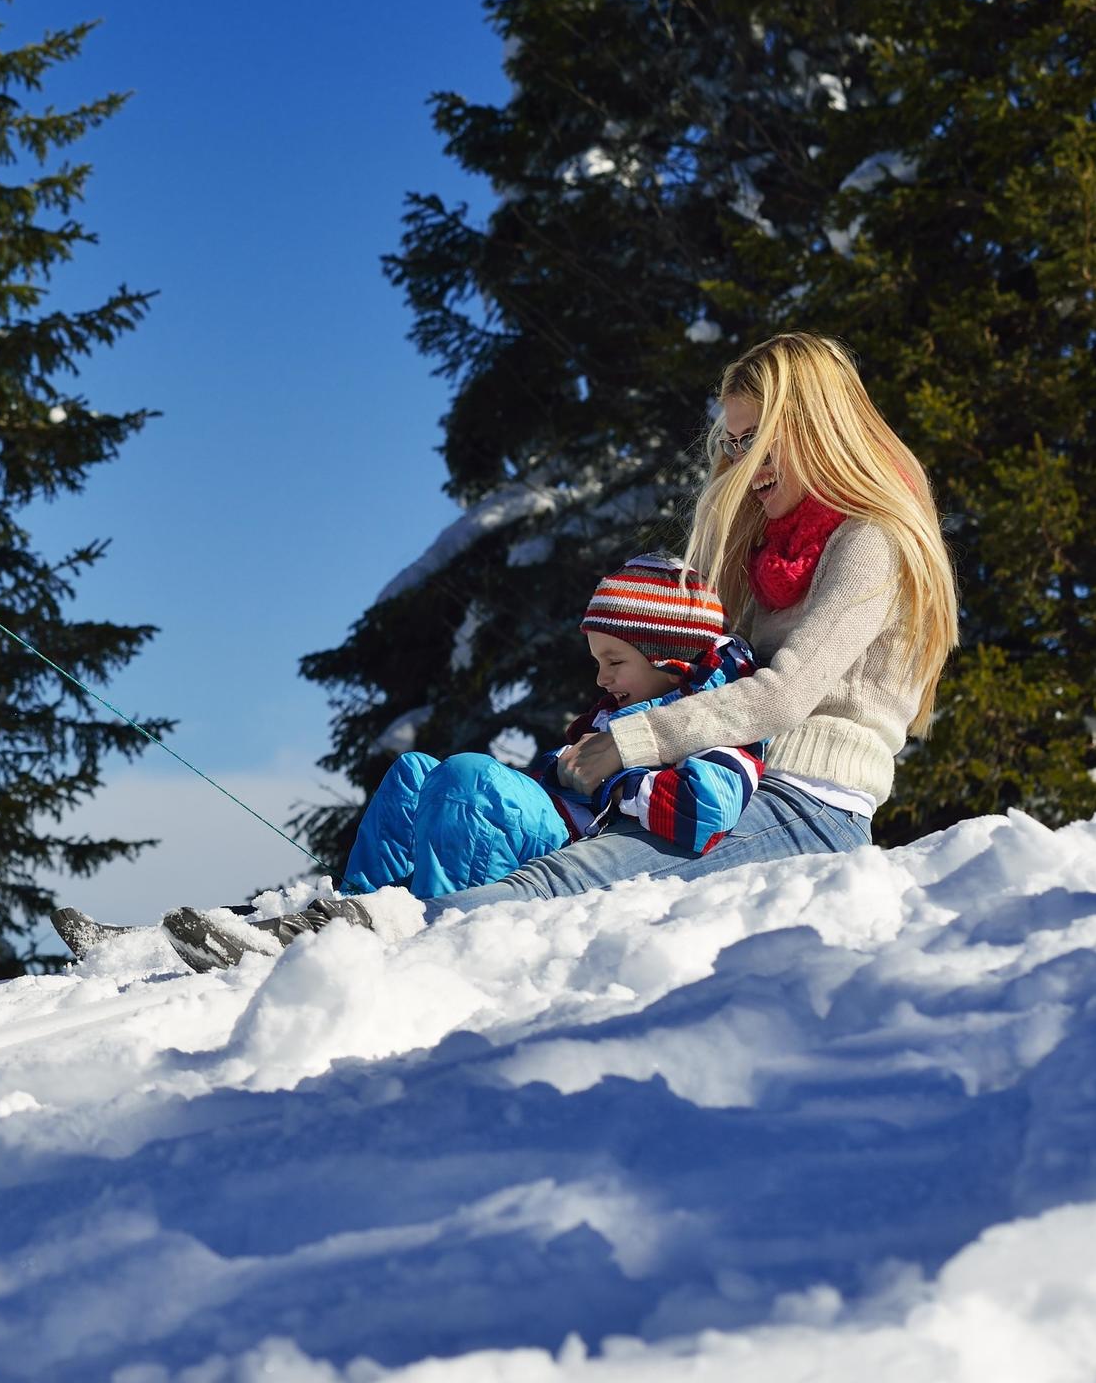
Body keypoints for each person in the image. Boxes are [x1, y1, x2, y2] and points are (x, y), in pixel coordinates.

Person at [131, 331, 958, 971]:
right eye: (733, 442)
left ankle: (351, 948)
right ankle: (312, 927)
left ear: (814, 428)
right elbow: (710, 670)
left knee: (551, 889)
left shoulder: (870, 543)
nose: (741, 461)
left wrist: (633, 741)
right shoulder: (767, 550)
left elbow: (779, 696)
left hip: (804, 810)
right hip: (716, 781)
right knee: (478, 818)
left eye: (757, 440)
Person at [337, 556, 763, 899]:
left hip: (582, 846)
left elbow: (706, 811)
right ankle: (365, 905)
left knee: (470, 781)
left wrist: (610, 778)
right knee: (413, 771)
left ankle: (441, 916)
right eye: (598, 663)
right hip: (558, 818)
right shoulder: (616, 714)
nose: (602, 678)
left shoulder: (711, 714)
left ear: (672, 661)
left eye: (615, 662)